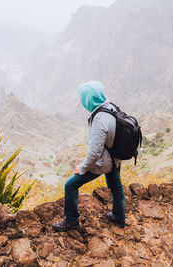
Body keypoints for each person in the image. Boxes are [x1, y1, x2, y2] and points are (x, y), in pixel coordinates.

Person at [52, 81, 126, 231]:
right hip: (116, 157)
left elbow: (94, 154)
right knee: (115, 184)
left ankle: (71, 220)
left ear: (88, 100)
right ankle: (119, 216)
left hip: (104, 162)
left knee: (70, 185)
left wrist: (82, 168)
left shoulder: (99, 120)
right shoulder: (110, 106)